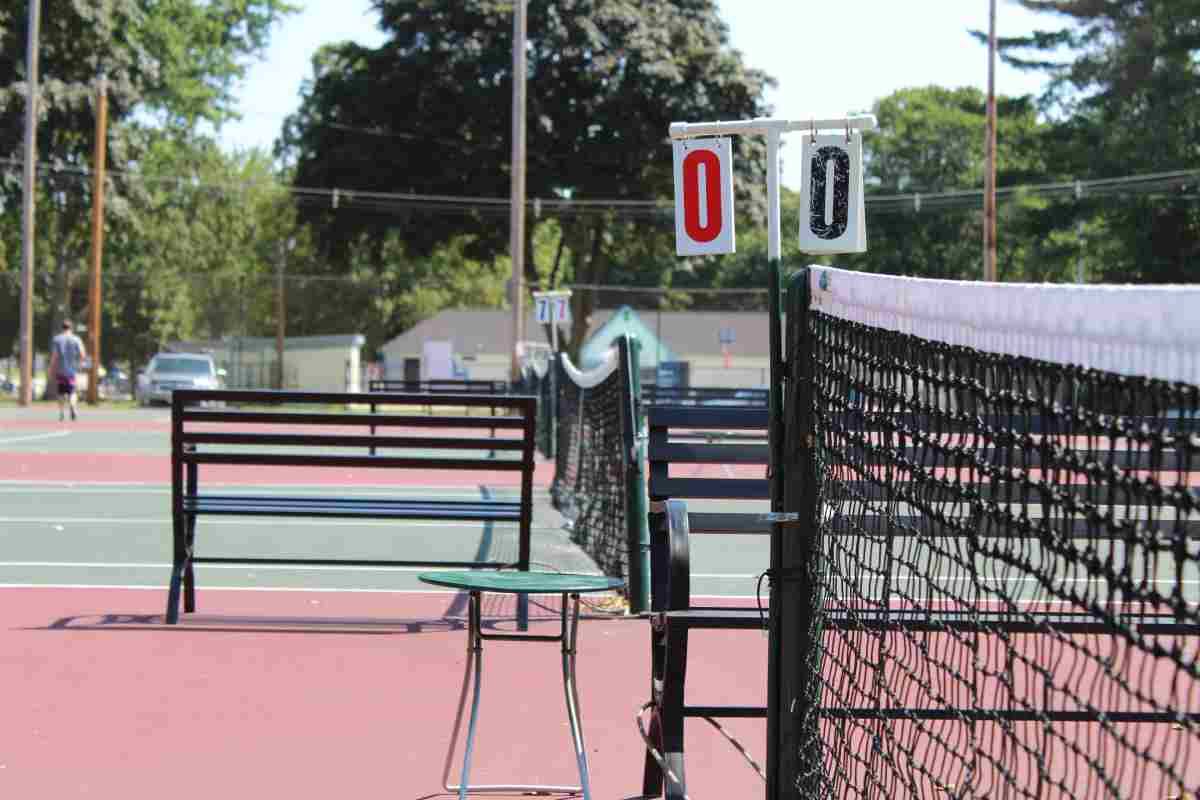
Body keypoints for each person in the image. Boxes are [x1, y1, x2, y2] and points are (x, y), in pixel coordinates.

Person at [48, 320, 87, 422]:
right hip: (72, 371)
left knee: (61, 392)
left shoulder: (57, 339)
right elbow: (83, 354)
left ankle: (61, 413)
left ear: (62, 328)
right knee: (72, 391)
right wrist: (79, 364)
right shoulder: (76, 339)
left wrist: (51, 368)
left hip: (60, 370)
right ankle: (73, 407)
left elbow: (55, 356)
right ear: (71, 328)